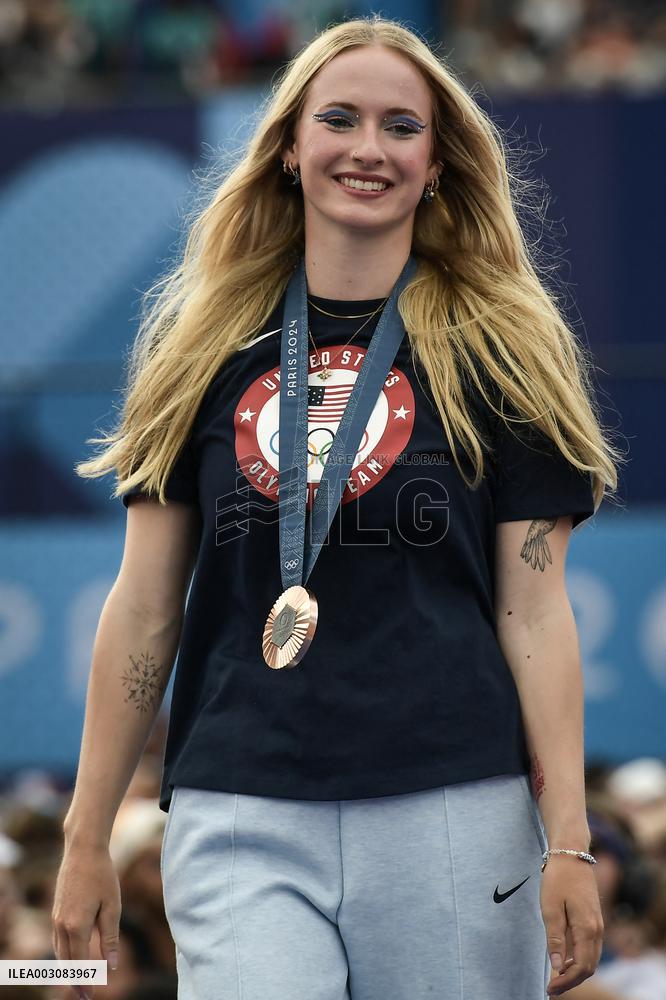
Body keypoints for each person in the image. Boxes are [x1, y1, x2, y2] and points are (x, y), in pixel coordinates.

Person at [52, 16, 624, 1000]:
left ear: (439, 163)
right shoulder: (200, 349)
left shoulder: (501, 348)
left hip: (455, 805)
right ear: (288, 146)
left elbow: (535, 613)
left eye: (402, 126)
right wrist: (87, 834)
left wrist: (569, 839)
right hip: (240, 808)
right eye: (340, 119)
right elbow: (145, 608)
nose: (369, 147)